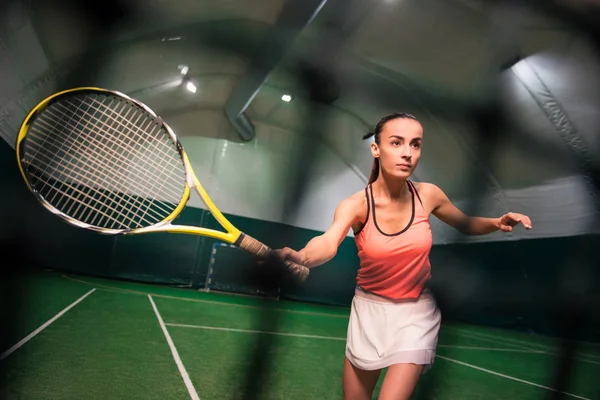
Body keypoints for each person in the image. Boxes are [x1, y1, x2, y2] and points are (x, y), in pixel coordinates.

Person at [276, 112, 533, 400]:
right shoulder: (356, 205)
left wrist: (497, 222)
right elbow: (328, 241)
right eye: (396, 143)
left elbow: (464, 223)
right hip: (368, 312)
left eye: (415, 144)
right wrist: (301, 256)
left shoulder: (429, 195)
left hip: (417, 314)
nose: (407, 153)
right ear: (376, 149)